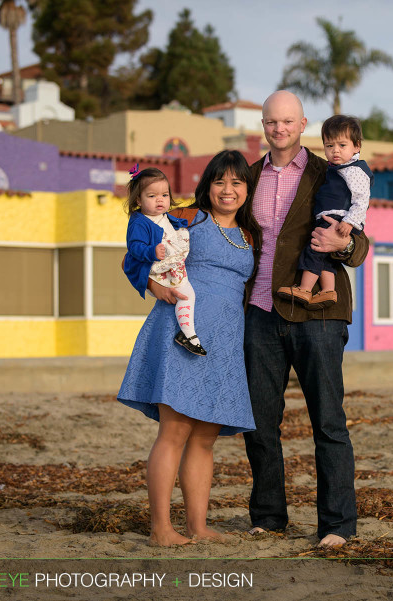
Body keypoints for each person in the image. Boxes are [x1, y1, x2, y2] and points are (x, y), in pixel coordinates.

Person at [242, 90, 369, 548]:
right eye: (271, 122)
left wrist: (345, 246)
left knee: (329, 422)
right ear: (263, 125)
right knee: (259, 422)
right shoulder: (247, 178)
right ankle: (269, 516)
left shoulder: (328, 170)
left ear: (302, 124)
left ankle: (337, 525)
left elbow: (360, 240)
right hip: (258, 311)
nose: (279, 129)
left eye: (288, 121)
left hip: (318, 315)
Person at [118, 150, 262, 547]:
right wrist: (153, 284)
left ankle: (198, 526)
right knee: (175, 431)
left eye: (237, 182)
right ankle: (161, 528)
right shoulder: (185, 217)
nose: (227, 190)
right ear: (207, 185)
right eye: (220, 181)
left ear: (247, 189)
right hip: (182, 335)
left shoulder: (251, 234)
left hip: (226, 345)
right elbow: (133, 253)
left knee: (204, 438)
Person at [276, 114, 372, 310]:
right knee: (326, 257)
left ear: (357, 146)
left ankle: (304, 288)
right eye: (329, 146)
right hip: (330, 216)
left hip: (338, 218)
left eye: (342, 145)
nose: (335, 151)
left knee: (314, 249)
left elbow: (362, 201)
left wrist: (349, 222)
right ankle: (328, 290)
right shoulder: (335, 169)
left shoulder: (354, 171)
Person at [122, 166, 207, 356]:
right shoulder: (140, 221)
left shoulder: (164, 217)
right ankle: (188, 335)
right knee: (186, 295)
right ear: (138, 199)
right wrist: (151, 251)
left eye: (164, 195)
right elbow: (134, 247)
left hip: (171, 266)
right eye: (152, 196)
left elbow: (172, 229)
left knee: (187, 295)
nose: (159, 200)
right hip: (157, 270)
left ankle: (189, 334)